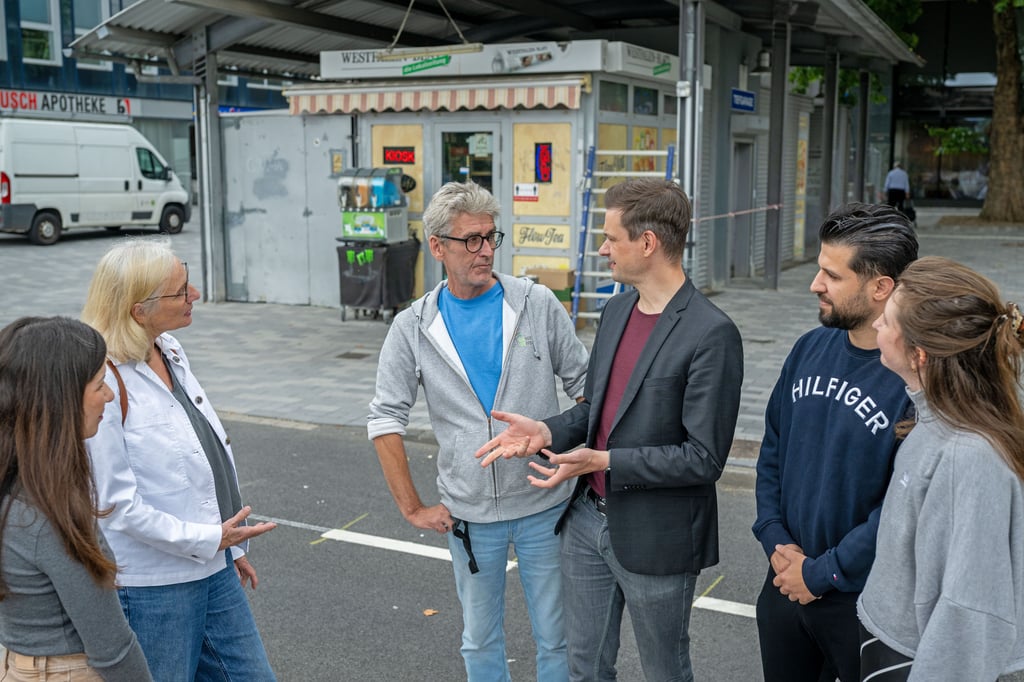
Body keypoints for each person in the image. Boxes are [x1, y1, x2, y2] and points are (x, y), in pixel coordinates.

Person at [475, 177, 743, 681]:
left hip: (657, 536)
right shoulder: (617, 309)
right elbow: (598, 412)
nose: (601, 249)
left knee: (665, 670)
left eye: (611, 238)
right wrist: (546, 432)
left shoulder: (712, 332)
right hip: (586, 523)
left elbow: (703, 458)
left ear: (648, 243)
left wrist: (605, 461)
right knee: (585, 668)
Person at [367, 181, 588, 681]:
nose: (485, 250)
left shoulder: (534, 302)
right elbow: (385, 420)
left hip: (544, 505)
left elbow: (587, 387)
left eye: (491, 237)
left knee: (557, 638)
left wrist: (581, 460)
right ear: (438, 247)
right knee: (480, 641)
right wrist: (412, 507)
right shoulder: (413, 326)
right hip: (469, 517)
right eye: (471, 239)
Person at [81, 238, 277, 682]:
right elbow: (115, 506)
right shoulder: (101, 381)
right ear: (138, 310)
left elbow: (199, 452)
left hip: (215, 565)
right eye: (180, 290)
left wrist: (228, 544)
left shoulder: (167, 348)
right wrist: (211, 538)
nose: (195, 295)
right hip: (156, 589)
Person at [751, 202, 919, 682]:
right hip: (783, 585)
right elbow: (773, 453)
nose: (815, 284)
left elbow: (899, 507)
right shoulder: (808, 348)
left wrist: (822, 574)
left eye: (831, 274)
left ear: (880, 287)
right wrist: (774, 539)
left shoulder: (913, 381)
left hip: (860, 605)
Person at [858, 257, 1024, 681]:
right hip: (894, 647)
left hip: (914, 661)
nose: (877, 324)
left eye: (889, 320)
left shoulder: (968, 457)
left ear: (920, 355)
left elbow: (968, 615)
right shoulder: (935, 425)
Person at [0, 316, 153, 681]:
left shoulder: (13, 493)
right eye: (100, 384)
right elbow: (112, 649)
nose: (110, 395)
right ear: (60, 400)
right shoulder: (50, 516)